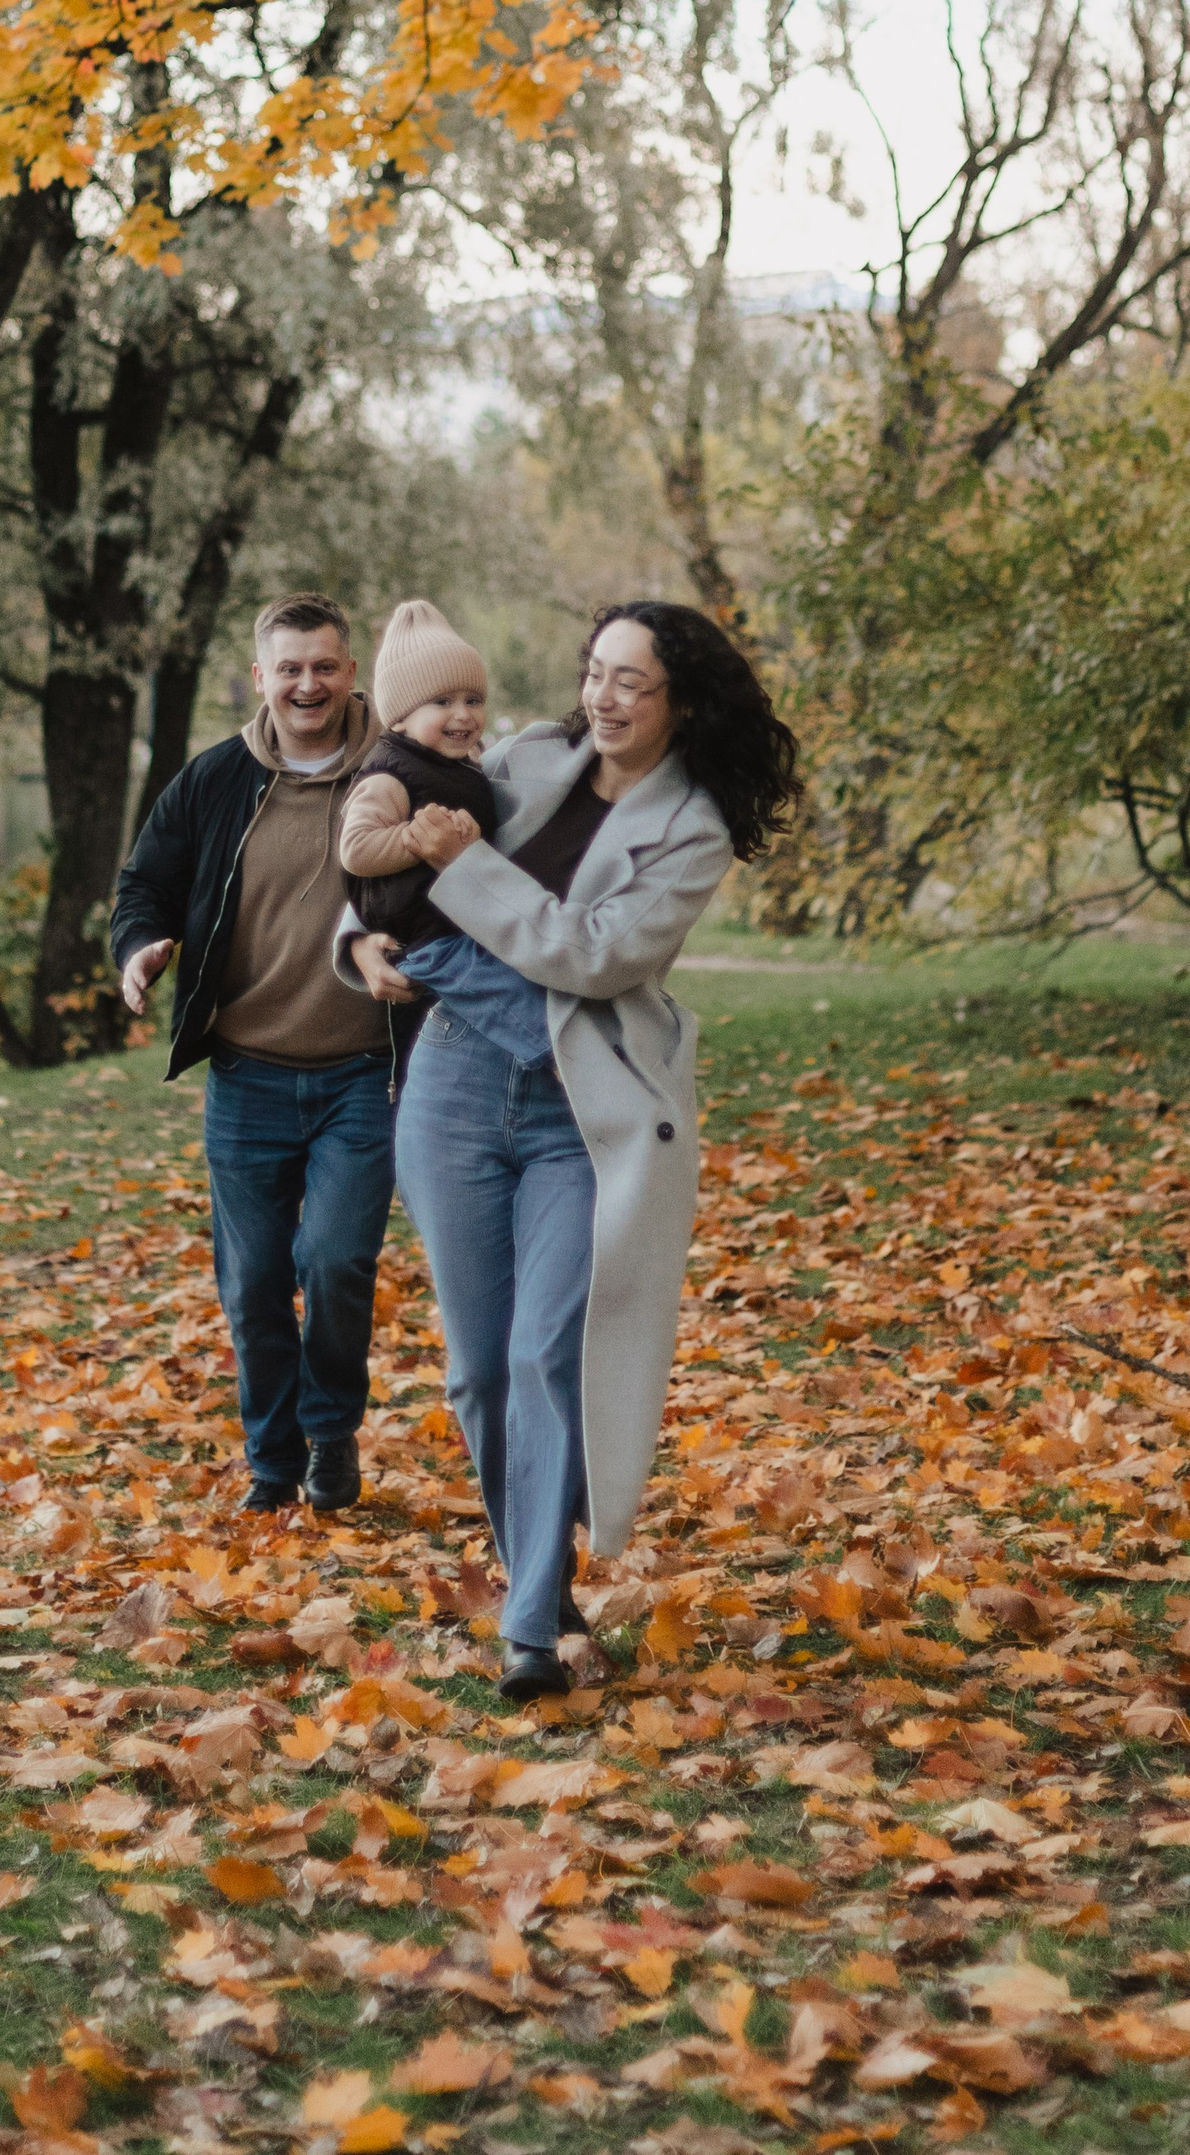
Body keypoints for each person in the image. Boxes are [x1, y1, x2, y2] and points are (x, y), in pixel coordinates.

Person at [345, 600, 799, 1702]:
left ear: (681, 700)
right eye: (594, 671)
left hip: (576, 1106)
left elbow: (594, 954)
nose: (601, 696)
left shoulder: (690, 826)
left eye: (629, 680)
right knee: (476, 1369)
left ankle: (529, 1628)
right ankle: (542, 1591)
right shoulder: (523, 757)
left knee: (546, 1353)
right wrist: (355, 935)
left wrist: (465, 869)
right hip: (452, 1084)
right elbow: (386, 833)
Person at [109, 594, 392, 1514]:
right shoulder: (215, 779)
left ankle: (331, 1429)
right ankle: (274, 1464)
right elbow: (143, 885)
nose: (308, 684)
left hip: (364, 1074)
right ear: (261, 676)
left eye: (324, 666)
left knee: (337, 1260)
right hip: (248, 1075)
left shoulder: (393, 770)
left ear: (350, 672)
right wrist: (139, 949)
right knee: (255, 1281)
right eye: (290, 668)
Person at [338, 598, 501, 943]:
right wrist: (422, 837)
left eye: (473, 700)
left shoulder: (461, 763)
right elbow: (355, 847)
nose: (463, 714)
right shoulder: (389, 776)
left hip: (455, 925)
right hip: (422, 937)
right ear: (400, 718)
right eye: (442, 702)